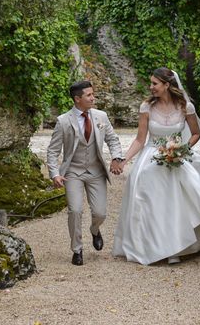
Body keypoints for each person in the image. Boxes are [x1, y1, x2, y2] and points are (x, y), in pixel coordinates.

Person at [112, 67, 200, 265]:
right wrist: (124, 159)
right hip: (151, 156)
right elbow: (140, 140)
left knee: (176, 204)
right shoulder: (146, 107)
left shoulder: (185, 107)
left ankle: (175, 247)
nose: (151, 87)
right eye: (151, 83)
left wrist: (181, 149)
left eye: (155, 83)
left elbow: (195, 134)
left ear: (167, 85)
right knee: (149, 202)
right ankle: (149, 246)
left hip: (176, 157)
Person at [47, 80, 125, 266]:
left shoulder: (101, 117)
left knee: (100, 213)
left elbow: (113, 140)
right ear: (77, 99)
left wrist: (117, 157)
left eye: (92, 94)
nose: (93, 98)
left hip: (96, 171)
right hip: (73, 172)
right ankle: (77, 249)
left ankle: (95, 230)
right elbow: (52, 151)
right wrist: (55, 174)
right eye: (89, 95)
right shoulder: (63, 121)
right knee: (75, 210)